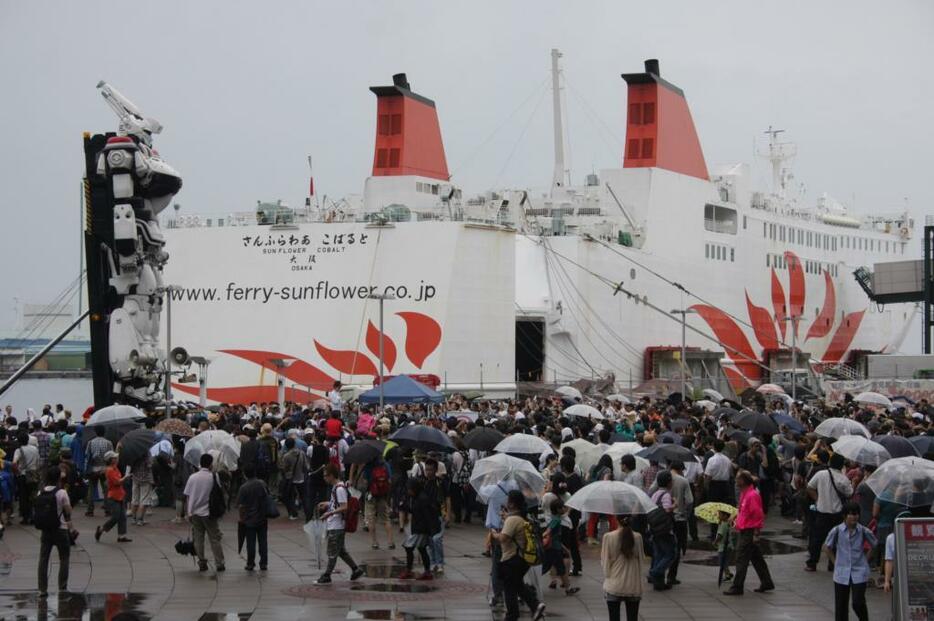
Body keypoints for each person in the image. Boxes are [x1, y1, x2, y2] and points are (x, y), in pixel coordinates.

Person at [492, 490, 546, 621]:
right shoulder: (521, 517)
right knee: (517, 585)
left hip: (512, 559)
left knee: (510, 588)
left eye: (508, 500)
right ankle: (535, 606)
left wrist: (494, 534)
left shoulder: (512, 520)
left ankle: (513, 615)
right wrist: (506, 518)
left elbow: (503, 538)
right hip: (521, 560)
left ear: (511, 504)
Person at [723, 470, 774, 595]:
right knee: (756, 558)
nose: (735, 481)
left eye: (737, 479)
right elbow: (741, 509)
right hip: (744, 529)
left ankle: (737, 586)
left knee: (741, 558)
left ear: (743, 481)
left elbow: (758, 514)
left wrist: (756, 533)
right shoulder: (744, 494)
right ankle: (766, 582)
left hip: (749, 531)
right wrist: (734, 517)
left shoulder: (752, 495)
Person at [824, 502, 876, 621]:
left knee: (858, 602)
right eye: (851, 514)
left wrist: (866, 560)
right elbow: (827, 547)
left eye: (856, 514)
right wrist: (835, 562)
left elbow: (874, 545)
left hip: (859, 571)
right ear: (845, 516)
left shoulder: (863, 531)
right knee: (841, 606)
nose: (854, 517)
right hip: (841, 572)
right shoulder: (837, 530)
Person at [314, 463, 364, 584]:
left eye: (326, 476)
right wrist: (327, 504)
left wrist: (329, 514)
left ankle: (327, 575)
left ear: (332, 475)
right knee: (340, 550)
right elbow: (337, 503)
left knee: (332, 552)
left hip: (336, 525)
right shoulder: (337, 487)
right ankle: (355, 569)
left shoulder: (340, 488)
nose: (324, 478)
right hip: (335, 524)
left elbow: (344, 507)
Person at [806, 453, 853, 572]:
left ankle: (812, 563)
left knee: (817, 539)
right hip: (837, 514)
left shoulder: (821, 474)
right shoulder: (843, 479)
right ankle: (832, 564)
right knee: (837, 541)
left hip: (821, 512)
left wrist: (817, 499)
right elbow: (849, 493)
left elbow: (810, 487)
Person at [36, 465, 73, 598]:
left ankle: (42, 589)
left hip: (46, 530)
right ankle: (62, 587)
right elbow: (68, 510)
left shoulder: (40, 492)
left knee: (43, 559)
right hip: (60, 529)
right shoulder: (61, 492)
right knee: (64, 558)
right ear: (58, 477)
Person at [184, 453, 225, 572]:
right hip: (209, 512)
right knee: (214, 538)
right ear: (210, 464)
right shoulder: (214, 476)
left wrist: (189, 511)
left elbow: (187, 495)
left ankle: (202, 561)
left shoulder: (193, 477)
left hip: (195, 512)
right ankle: (219, 563)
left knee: (198, 538)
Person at [601, 516, 644, 621]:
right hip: (633, 584)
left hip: (614, 583)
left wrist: (607, 576)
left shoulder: (608, 537)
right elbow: (641, 559)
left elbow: (605, 561)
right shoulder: (638, 537)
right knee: (632, 618)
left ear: (616, 520)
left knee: (614, 618)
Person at [398, 477, 437, 580]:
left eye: (410, 489)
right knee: (421, 548)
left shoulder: (422, 498)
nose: (408, 491)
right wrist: (406, 507)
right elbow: (415, 511)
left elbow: (427, 515)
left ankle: (409, 570)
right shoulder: (416, 497)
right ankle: (426, 571)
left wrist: (431, 530)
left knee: (409, 546)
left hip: (421, 529)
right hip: (418, 527)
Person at [648, 470, 677, 590]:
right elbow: (666, 510)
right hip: (664, 529)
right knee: (670, 554)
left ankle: (658, 583)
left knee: (659, 554)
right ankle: (654, 572)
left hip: (654, 528)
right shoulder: (666, 495)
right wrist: (675, 505)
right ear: (669, 482)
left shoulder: (655, 494)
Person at [543, 497, 579, 595]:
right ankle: (527, 585)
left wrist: (564, 548)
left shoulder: (556, 518)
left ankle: (568, 588)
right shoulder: (556, 520)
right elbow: (548, 531)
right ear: (558, 509)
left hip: (556, 548)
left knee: (560, 569)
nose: (564, 509)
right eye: (562, 507)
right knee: (545, 568)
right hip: (554, 549)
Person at [236, 466, 270, 571]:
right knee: (263, 541)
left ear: (245, 474)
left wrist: (241, 518)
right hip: (262, 517)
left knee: (250, 542)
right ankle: (263, 563)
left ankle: (250, 563)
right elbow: (268, 496)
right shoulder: (262, 483)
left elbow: (241, 505)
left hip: (249, 518)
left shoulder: (243, 487)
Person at [94, 452, 131, 543]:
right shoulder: (110, 470)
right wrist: (125, 478)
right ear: (111, 460)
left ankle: (121, 536)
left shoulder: (115, 469)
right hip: (113, 496)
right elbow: (117, 482)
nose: (117, 459)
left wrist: (125, 478)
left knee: (122, 516)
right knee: (115, 517)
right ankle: (101, 529)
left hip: (120, 495)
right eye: (115, 457)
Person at [363, 458, 394, 550]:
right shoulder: (385, 464)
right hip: (382, 495)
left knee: (370, 518)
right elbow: (389, 480)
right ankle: (390, 542)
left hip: (371, 495)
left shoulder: (368, 465)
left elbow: (365, 481)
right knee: (386, 518)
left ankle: (375, 542)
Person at [84, 426, 113, 516]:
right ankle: (108, 510)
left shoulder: (90, 442)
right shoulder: (108, 443)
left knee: (91, 490)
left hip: (93, 468)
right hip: (105, 468)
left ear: (96, 432)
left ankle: (90, 510)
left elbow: (87, 456)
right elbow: (111, 456)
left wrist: (86, 470)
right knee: (106, 490)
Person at [12, 432, 39, 524]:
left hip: (23, 475)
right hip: (33, 474)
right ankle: (34, 516)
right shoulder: (35, 449)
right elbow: (37, 461)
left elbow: (14, 463)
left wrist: (17, 472)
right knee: (33, 496)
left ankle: (25, 517)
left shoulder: (18, 450)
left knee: (23, 497)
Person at [129, 453, 155, 526]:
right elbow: (150, 465)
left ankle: (133, 519)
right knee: (144, 500)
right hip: (146, 479)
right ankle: (140, 520)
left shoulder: (133, 453)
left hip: (135, 478)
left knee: (134, 499)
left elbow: (130, 465)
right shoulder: (147, 453)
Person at [714, 510, 734, 581]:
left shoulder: (723, 525)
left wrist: (715, 542)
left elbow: (720, 535)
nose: (718, 516)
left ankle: (727, 575)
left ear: (725, 516)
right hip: (729, 546)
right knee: (725, 562)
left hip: (723, 547)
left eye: (720, 514)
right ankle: (728, 573)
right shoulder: (727, 523)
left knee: (722, 562)